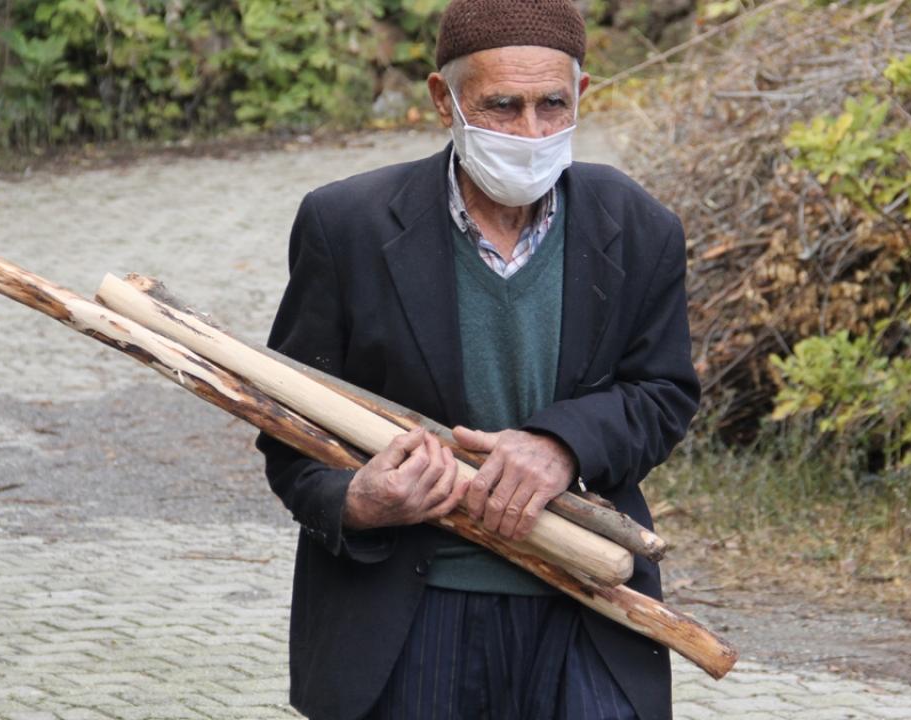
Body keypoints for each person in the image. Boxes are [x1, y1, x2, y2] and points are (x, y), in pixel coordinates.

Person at [255, 1, 700, 717]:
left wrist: (562, 445)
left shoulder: (639, 227)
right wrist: (358, 503)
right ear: (443, 99)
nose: (532, 132)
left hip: (587, 604)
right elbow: (287, 430)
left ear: (582, 95)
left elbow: (663, 394)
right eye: (502, 106)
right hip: (408, 616)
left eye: (553, 105)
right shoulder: (348, 227)